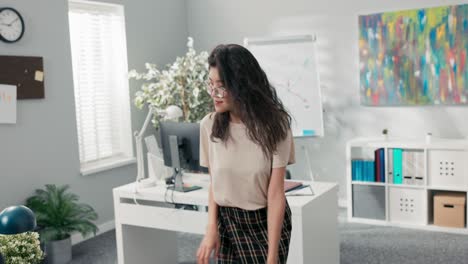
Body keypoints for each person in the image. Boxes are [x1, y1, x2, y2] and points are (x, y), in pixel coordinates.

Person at [196, 44, 296, 264]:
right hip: (227, 222)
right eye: (210, 85)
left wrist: (272, 256)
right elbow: (216, 182)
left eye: (221, 86)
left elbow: (276, 194)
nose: (214, 93)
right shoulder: (209, 125)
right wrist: (211, 228)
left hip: (262, 223)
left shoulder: (275, 126)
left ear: (241, 85)